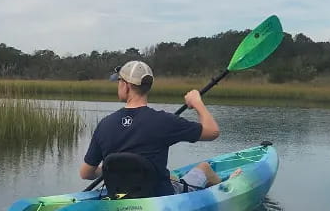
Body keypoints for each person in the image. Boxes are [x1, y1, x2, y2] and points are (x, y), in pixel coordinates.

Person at [79, 60, 237, 196]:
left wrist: (111, 170)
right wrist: (197, 103)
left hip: (121, 196)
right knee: (205, 168)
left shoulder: (105, 124)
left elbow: (86, 173)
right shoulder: (164, 121)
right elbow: (213, 131)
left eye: (119, 81)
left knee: (172, 176)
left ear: (126, 86)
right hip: (162, 197)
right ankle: (227, 188)